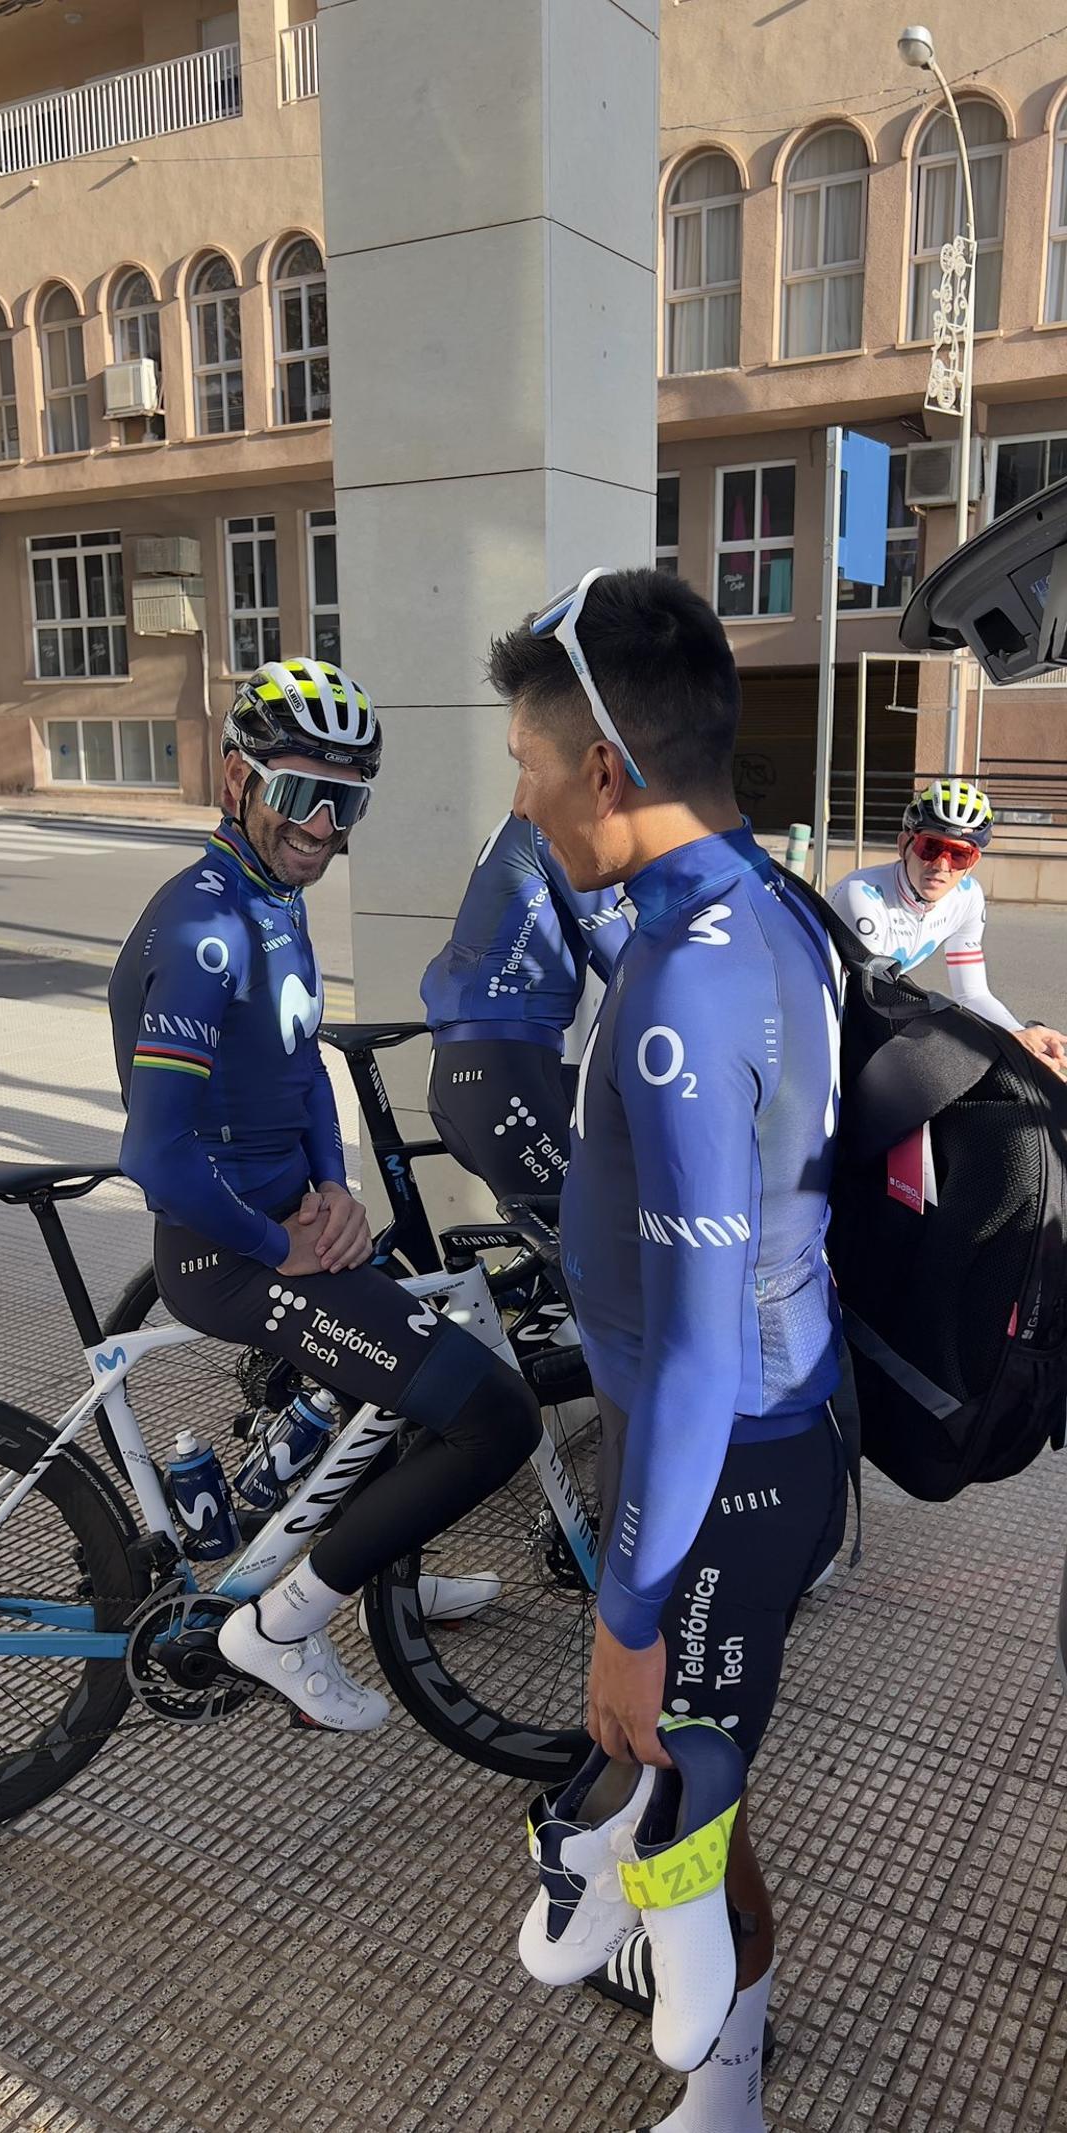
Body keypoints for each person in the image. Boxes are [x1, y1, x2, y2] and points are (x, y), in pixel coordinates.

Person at [490, 568, 849, 2133]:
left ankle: (729, 2071)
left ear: (606, 772)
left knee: (681, 1753)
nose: (522, 796)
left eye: (524, 764)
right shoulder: (762, 904)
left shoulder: (688, 982)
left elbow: (703, 1346)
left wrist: (628, 1609)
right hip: (757, 1431)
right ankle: (678, 1951)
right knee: (683, 1754)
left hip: (730, 1448)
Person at [108, 658, 540, 1732]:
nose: (322, 824)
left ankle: (378, 1559)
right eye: (299, 791)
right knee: (496, 1416)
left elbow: (300, 1071)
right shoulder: (208, 929)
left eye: (346, 802)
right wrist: (280, 1240)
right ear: (234, 782)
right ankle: (283, 1626)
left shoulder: (271, 899)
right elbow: (157, 1156)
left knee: (408, 1369)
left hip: (281, 1226)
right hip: (227, 1252)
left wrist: (335, 1192)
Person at [420, 813, 630, 1201]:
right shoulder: (557, 821)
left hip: (496, 1065)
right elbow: (622, 953)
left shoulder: (535, 818)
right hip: (498, 1071)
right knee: (598, 1233)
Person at [829, 780, 1067, 1068]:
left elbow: (972, 993)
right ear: (905, 844)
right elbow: (878, 999)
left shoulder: (967, 898)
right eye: (931, 847)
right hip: (821, 1011)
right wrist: (1005, 1040)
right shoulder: (863, 894)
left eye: (958, 855)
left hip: (863, 1015)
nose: (942, 866)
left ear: (973, 862)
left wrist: (1017, 1033)